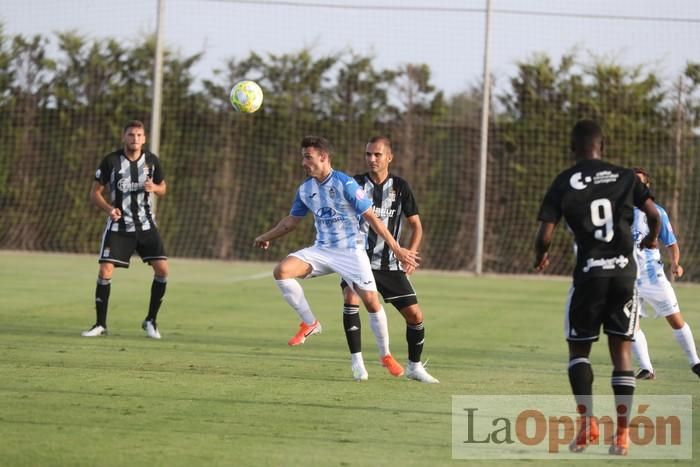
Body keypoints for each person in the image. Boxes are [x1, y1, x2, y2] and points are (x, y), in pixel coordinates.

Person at [533, 119, 660, 456]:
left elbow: (545, 234)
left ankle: (587, 423)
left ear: (573, 149)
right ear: (601, 147)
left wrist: (540, 257)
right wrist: (649, 239)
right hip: (623, 276)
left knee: (579, 351)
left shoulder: (564, 181)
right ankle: (621, 437)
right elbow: (654, 214)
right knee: (621, 354)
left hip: (589, 275)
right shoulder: (624, 176)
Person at [253, 135, 418, 381]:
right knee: (282, 271)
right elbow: (291, 222)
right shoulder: (305, 189)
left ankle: (385, 355)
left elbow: (373, 218)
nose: (303, 162)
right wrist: (267, 236)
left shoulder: (346, 184)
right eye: (302, 157)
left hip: (352, 252)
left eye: (307, 157)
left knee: (372, 303)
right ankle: (310, 323)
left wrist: (396, 248)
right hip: (322, 250)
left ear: (323, 157)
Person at [339, 136, 438, 383]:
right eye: (368, 154)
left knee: (415, 315)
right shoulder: (356, 184)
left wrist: (410, 256)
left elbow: (416, 226)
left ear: (389, 157)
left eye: (377, 155)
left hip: (390, 265)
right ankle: (357, 364)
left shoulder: (401, 187)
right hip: (358, 261)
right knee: (351, 298)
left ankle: (414, 367)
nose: (371, 159)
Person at [81, 120, 169, 339]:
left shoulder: (152, 161)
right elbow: (95, 194)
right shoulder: (111, 161)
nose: (135, 139)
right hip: (119, 227)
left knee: (163, 271)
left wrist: (155, 188)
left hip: (146, 226)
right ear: (124, 137)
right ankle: (100, 324)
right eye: (131, 135)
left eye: (139, 135)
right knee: (105, 271)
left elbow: (163, 188)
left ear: (144, 139)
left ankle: (150, 321)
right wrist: (109, 209)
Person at [630, 167, 700, 380]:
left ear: (647, 186)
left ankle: (696, 363)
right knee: (630, 326)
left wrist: (675, 263)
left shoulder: (657, 212)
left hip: (652, 276)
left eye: (640, 183)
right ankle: (646, 368)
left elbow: (672, 244)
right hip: (627, 278)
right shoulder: (619, 211)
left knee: (675, 320)